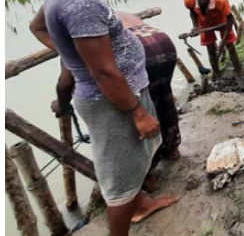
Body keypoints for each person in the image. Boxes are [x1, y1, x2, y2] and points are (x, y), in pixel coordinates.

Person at [32, 0, 179, 236]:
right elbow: (105, 73)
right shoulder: (82, 4)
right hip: (112, 100)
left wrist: (74, 55)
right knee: (119, 180)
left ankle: (141, 204)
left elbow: (38, 27)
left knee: (131, 164)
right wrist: (138, 113)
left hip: (117, 93)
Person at [33, 11, 182, 190]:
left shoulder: (73, 33)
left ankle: (145, 175)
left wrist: (61, 105)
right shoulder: (97, 12)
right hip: (159, 40)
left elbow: (65, 83)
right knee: (162, 97)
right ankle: (171, 148)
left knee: (134, 115)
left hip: (135, 48)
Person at [183, 0, 243, 80]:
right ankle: (217, 75)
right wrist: (195, 27)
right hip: (205, 23)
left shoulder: (220, 0)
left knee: (230, 47)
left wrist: (223, 41)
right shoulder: (189, 0)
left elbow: (230, 19)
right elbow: (192, 12)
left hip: (223, 22)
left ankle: (239, 74)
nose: (203, 1)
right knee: (210, 50)